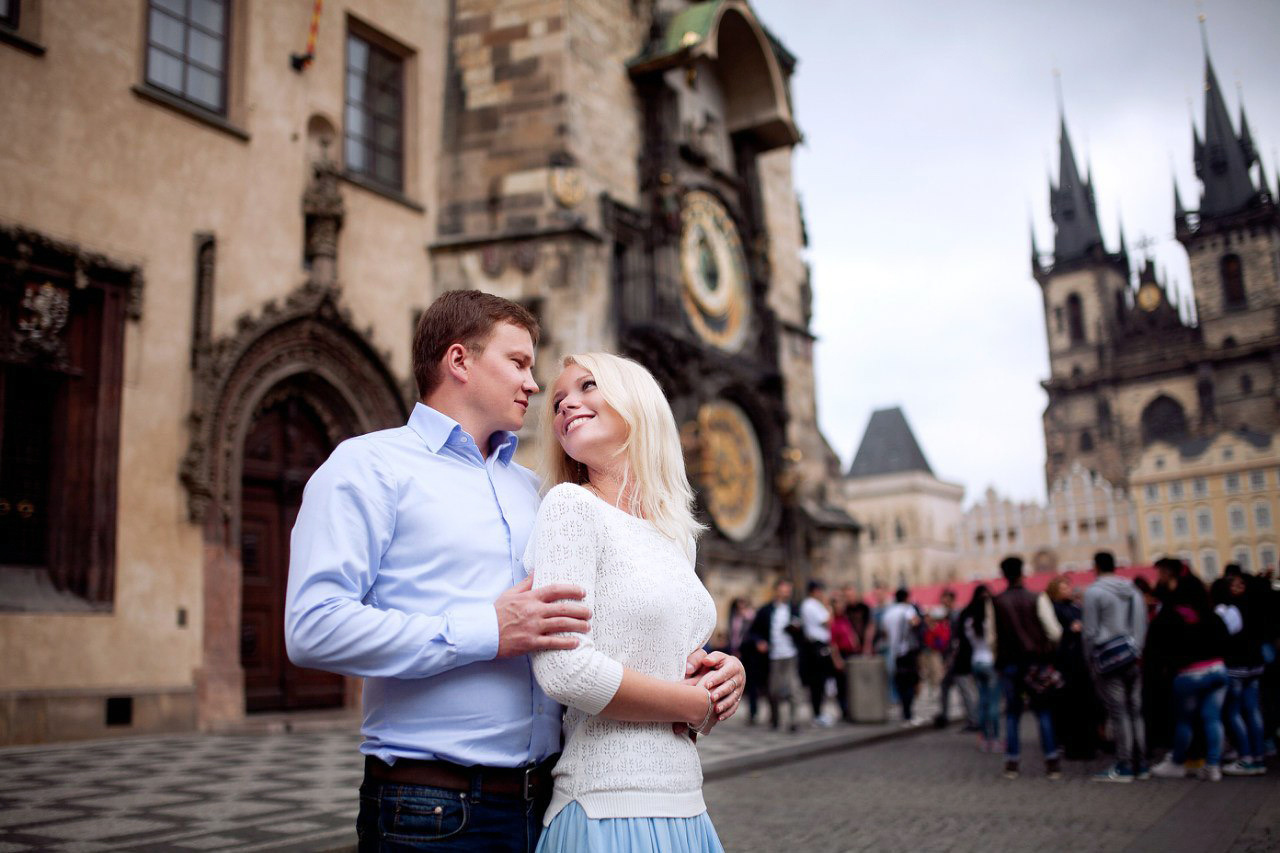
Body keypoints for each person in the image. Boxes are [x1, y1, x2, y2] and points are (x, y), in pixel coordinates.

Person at [285, 293, 743, 852]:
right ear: (460, 362)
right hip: (430, 806)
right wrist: (486, 629)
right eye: (520, 363)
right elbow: (312, 628)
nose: (533, 384)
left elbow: (615, 624)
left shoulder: (537, 491)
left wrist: (714, 673)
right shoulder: (369, 467)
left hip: (550, 798)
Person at [526, 352, 732, 851]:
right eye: (557, 402)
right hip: (607, 804)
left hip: (687, 803)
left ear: (636, 403)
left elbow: (670, 665)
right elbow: (563, 670)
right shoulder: (571, 506)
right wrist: (691, 701)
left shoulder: (675, 533)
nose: (566, 405)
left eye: (588, 386)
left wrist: (722, 675)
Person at [1147, 557, 1230, 782]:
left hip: (1190, 673)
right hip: (1217, 669)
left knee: (1184, 720)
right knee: (1212, 718)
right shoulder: (1206, 609)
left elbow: (1157, 648)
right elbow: (1224, 636)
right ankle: (1212, 766)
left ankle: (1177, 762)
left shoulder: (1170, 613)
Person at [992, 556, 1063, 779]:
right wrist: (1047, 648)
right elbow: (1055, 632)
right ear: (1023, 573)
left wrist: (999, 658)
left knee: (1012, 714)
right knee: (1043, 711)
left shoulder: (996, 601)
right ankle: (1051, 762)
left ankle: (1012, 763)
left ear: (1003, 575)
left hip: (1009, 664)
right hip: (1035, 663)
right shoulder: (1037, 597)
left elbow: (991, 638)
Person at [1083, 551, 1149, 783]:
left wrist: (1089, 659)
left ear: (1096, 567)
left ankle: (1124, 764)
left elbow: (1090, 632)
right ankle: (1141, 763)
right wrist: (1137, 648)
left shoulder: (1094, 592)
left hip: (1108, 658)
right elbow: (1142, 622)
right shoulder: (1132, 589)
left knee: (1119, 712)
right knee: (1135, 711)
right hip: (1133, 655)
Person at [1213, 566, 1267, 776]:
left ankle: (1246, 757)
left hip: (1238, 665)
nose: (1237, 586)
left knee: (1235, 712)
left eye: (1239, 583)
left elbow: (1225, 637)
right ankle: (1259, 756)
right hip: (1255, 663)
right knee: (1252, 710)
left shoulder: (1230, 609)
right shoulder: (1253, 605)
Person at [748, 578, 804, 732]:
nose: (786, 593)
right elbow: (754, 632)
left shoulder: (794, 608)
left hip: (791, 653)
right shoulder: (766, 610)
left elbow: (802, 630)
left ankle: (794, 721)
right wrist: (760, 642)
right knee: (774, 690)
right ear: (777, 590)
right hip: (773, 656)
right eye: (784, 590)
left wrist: (796, 629)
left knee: (794, 688)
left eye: (788, 590)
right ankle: (775, 719)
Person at [961, 584, 1000, 752]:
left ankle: (983, 738)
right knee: (993, 704)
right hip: (990, 662)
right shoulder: (990, 622)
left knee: (982, 702)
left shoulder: (969, 621)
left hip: (975, 662)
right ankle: (995, 739)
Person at [800, 579, 838, 726]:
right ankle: (817, 714)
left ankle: (819, 712)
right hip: (816, 647)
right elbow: (828, 621)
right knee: (817, 681)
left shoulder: (813, 605)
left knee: (821, 681)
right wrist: (829, 607)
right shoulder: (811, 605)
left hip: (819, 645)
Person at [882, 588, 923, 725]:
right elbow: (915, 622)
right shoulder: (907, 610)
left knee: (901, 683)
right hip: (907, 651)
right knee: (910, 683)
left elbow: (885, 633)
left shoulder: (888, 613)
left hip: (894, 653)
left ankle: (904, 713)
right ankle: (909, 714)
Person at [727, 597, 764, 725]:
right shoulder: (733, 618)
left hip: (749, 654)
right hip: (736, 653)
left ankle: (753, 712)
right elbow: (733, 635)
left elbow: (752, 633)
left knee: (751, 683)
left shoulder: (750, 617)